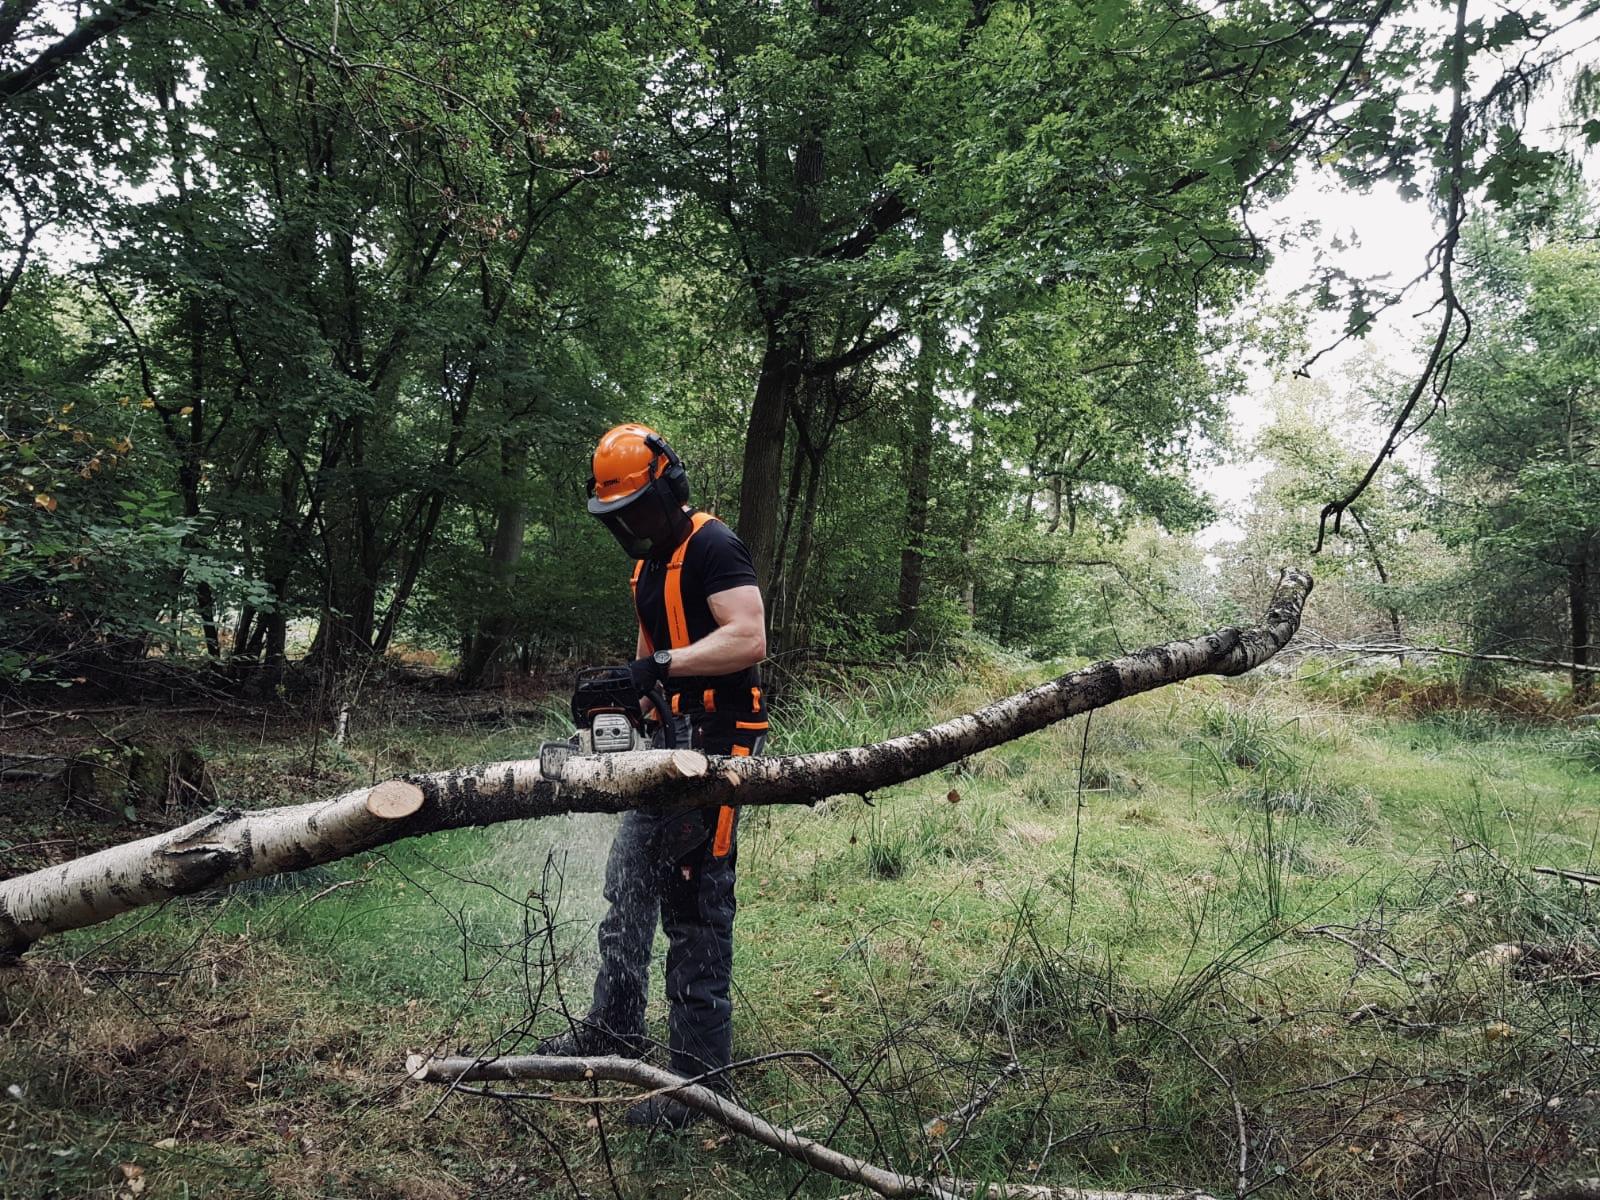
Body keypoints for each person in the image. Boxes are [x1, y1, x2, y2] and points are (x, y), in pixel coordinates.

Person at [538, 423, 769, 1130]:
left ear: (668, 491)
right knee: (628, 888)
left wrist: (663, 668)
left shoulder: (712, 544)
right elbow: (649, 655)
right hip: (662, 744)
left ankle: (700, 1085)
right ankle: (614, 1028)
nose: (631, 524)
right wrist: (635, 687)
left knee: (695, 906)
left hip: (717, 749)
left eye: (638, 509)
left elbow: (748, 636)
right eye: (620, 516)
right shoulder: (644, 571)